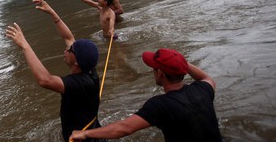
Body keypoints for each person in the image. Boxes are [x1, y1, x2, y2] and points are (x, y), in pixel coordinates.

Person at [6, 0, 107, 142]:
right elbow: (69, 38)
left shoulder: (77, 84)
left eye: (70, 50)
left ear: (77, 62)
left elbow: (45, 80)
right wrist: (52, 12)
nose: (65, 50)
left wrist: (24, 45)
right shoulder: (89, 70)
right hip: (93, 131)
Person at [70, 48, 222, 142]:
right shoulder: (203, 90)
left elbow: (124, 128)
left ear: (160, 73)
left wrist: (85, 134)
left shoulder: (160, 104)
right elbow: (206, 78)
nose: (152, 71)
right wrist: (179, 61)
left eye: (154, 68)